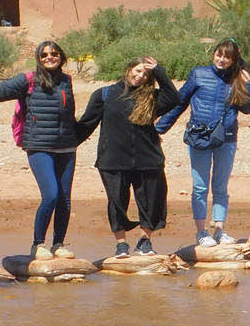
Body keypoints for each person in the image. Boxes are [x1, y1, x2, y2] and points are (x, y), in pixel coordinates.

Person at [0, 40, 79, 260]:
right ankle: (38, 244)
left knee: (65, 199)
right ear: (39, 58)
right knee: (51, 195)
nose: (49, 57)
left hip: (66, 147)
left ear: (61, 56)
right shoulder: (28, 80)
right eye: (44, 55)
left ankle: (58, 244)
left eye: (54, 53)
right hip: (38, 146)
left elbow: (70, 116)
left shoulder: (67, 81)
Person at [155, 39, 250, 247]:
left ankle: (219, 230)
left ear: (234, 59)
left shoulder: (237, 79)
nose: (222, 60)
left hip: (226, 138)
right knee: (200, 187)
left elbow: (247, 109)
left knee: (220, 186)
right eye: (219, 55)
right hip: (199, 137)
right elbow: (180, 102)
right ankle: (201, 232)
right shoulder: (198, 74)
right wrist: (158, 128)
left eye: (228, 57)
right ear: (213, 55)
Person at [76, 57, 180, 258]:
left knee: (151, 201)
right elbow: (86, 124)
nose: (140, 76)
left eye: (145, 74)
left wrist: (159, 71)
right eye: (138, 71)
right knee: (117, 203)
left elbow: (174, 98)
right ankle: (121, 244)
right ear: (129, 68)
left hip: (148, 160)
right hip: (113, 160)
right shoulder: (104, 95)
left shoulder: (151, 97)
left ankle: (144, 241)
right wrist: (65, 144)